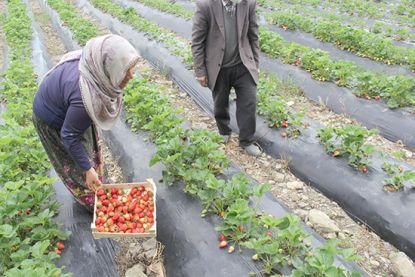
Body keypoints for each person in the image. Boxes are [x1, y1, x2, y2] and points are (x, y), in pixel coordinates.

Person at [32, 34, 139, 212]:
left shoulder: (95, 67)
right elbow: (68, 136)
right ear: (109, 68)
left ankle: (100, 185)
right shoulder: (83, 98)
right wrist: (87, 170)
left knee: (89, 148)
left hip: (69, 109)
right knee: (77, 167)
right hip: (51, 120)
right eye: (125, 70)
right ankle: (96, 204)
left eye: (131, 68)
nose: (131, 76)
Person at [192, 0, 261, 156]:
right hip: (219, 67)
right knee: (220, 103)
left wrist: (255, 62)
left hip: (243, 65)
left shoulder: (247, 4)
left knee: (249, 102)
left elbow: (253, 35)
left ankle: (246, 141)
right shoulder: (205, 6)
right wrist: (200, 71)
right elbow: (197, 42)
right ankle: (224, 131)